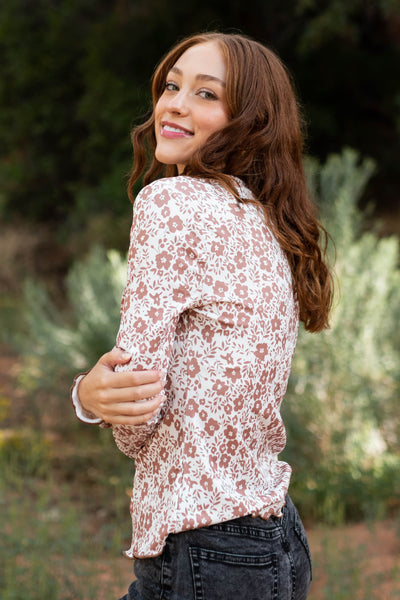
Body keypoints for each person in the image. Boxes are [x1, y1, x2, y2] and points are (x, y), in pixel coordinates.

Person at [71, 31, 333, 600]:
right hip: (276, 537)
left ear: (250, 119)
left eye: (207, 94)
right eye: (172, 85)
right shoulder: (264, 216)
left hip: (203, 546)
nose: (176, 104)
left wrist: (89, 397)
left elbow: (135, 409)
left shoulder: (171, 202)